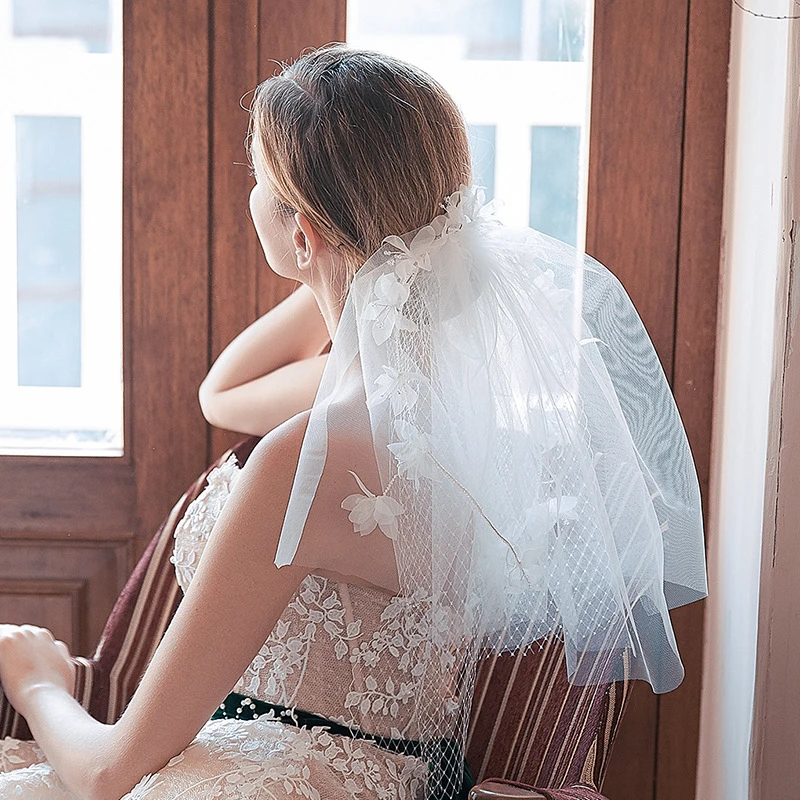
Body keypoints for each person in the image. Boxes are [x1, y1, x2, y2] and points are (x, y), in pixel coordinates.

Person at [0, 44, 707, 800]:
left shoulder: (305, 459)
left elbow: (110, 772)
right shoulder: (476, 430)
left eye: (259, 184)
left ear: (302, 235)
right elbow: (229, 389)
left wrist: (39, 682)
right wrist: (352, 265)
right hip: (407, 777)